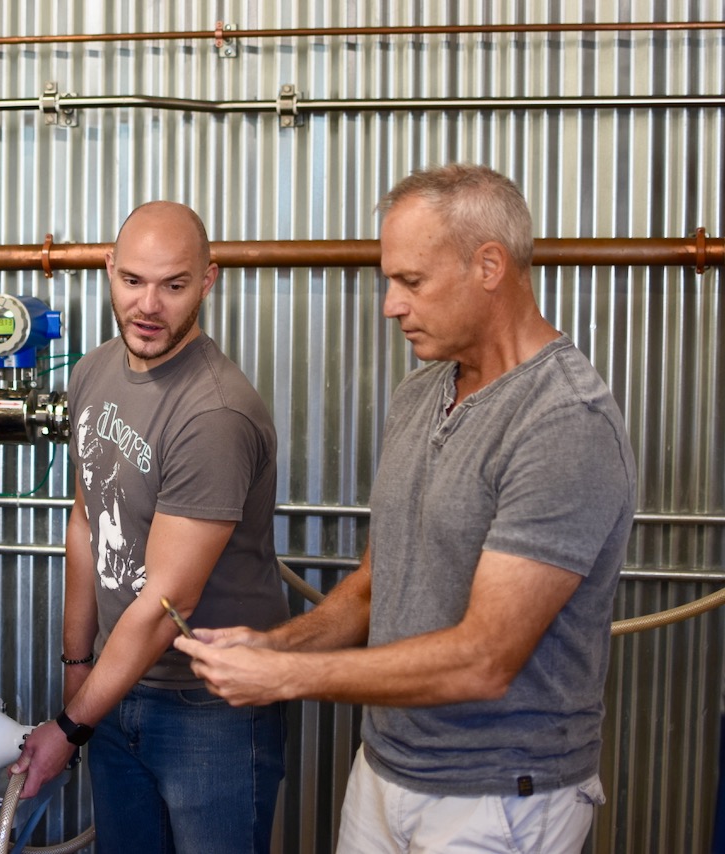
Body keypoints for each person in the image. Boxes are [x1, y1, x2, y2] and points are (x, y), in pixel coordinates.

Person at [175, 164, 637, 853]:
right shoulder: (420, 393)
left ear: (489, 266)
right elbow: (374, 584)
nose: (391, 305)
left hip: (497, 799)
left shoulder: (563, 422)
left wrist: (285, 677)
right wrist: (274, 646)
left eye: (411, 281)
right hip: (385, 770)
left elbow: (485, 660)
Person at [11, 201, 287, 853]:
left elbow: (169, 604)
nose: (149, 306)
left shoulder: (214, 413)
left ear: (208, 281)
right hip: (116, 686)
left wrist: (70, 726)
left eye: (174, 285)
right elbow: (86, 522)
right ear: (109, 269)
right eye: (133, 280)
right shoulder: (94, 372)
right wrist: (79, 670)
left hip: (209, 706)